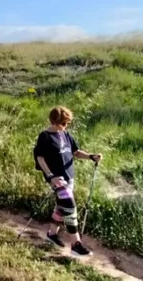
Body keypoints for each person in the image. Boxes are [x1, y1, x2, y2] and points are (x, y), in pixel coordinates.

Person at [34, 106, 102, 257]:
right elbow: (40, 158)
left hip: (69, 177)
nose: (65, 126)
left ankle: (51, 234)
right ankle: (75, 244)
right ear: (53, 121)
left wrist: (91, 156)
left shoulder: (65, 134)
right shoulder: (44, 136)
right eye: (62, 123)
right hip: (57, 180)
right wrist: (51, 176)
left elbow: (76, 152)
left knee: (62, 206)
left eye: (67, 123)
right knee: (70, 206)